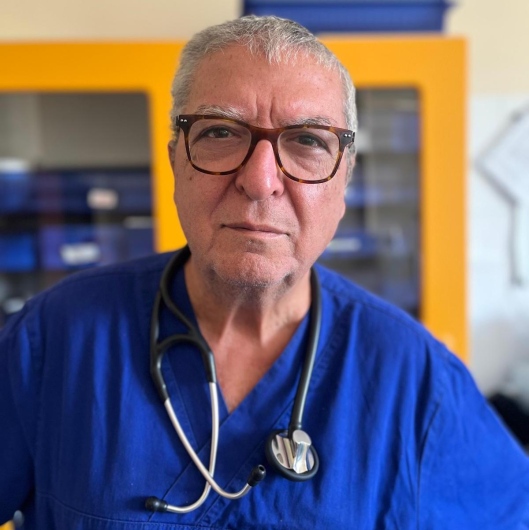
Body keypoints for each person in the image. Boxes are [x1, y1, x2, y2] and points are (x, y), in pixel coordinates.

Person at [1, 15, 529, 530]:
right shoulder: (52, 340)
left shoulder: (416, 382)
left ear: (343, 181)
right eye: (220, 132)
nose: (259, 181)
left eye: (308, 141)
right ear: (176, 161)